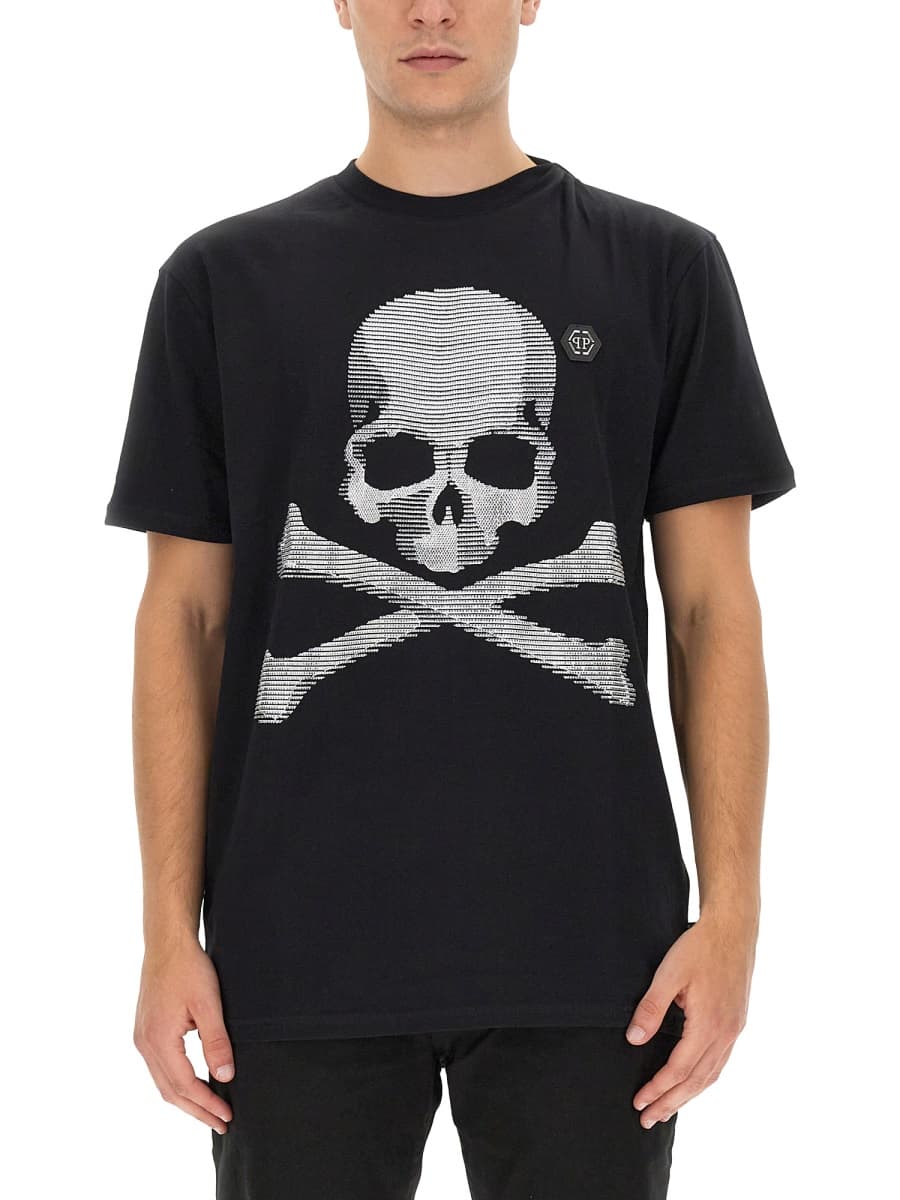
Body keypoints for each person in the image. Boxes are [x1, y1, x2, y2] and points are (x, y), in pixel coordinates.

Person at [103, 3, 796, 1197]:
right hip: (292, 953)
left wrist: (732, 920)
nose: (431, 9)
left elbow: (711, 611)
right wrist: (168, 933)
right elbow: (184, 620)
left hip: (599, 961)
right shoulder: (222, 280)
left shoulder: (662, 268)